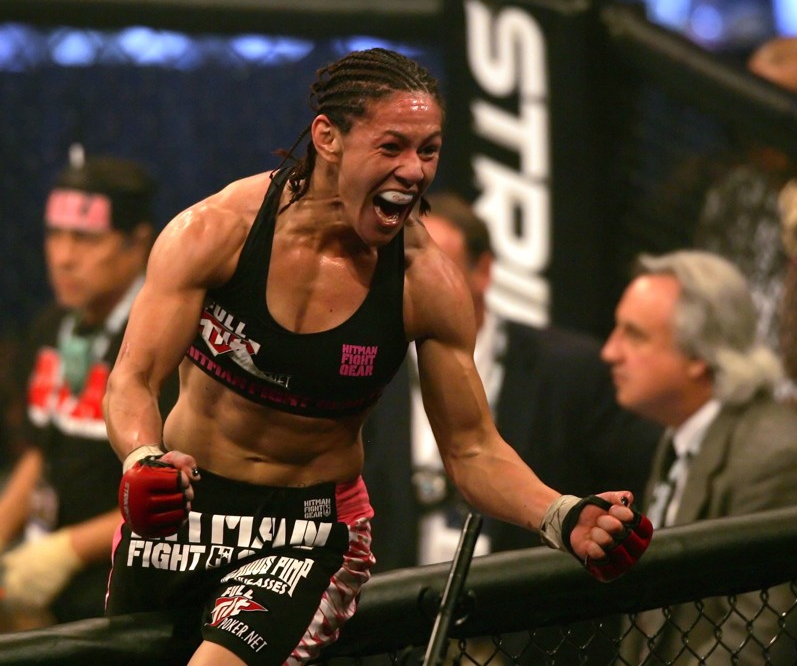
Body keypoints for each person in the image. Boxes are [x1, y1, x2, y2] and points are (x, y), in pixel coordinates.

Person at [101, 47, 651, 666]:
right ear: (328, 138)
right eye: (392, 147)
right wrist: (143, 460)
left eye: (429, 150)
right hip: (185, 516)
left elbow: (472, 448)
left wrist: (561, 515)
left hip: (306, 534)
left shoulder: (425, 283)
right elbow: (132, 379)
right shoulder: (215, 232)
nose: (414, 170)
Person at [363, 190, 660, 570]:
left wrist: (573, 518)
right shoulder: (365, 369)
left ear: (483, 271)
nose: (418, 284)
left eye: (436, 266)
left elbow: (647, 489)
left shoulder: (571, 372)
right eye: (402, 267)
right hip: (398, 597)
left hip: (526, 597)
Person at [605, 250, 797, 665]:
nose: (610, 352)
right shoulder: (682, 434)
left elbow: (757, 643)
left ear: (699, 356)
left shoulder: (779, 461)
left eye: (634, 335)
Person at [0, 151, 173, 630]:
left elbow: (190, 492)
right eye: (55, 235)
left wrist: (68, 550)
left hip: (126, 583)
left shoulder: (170, 342)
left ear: (138, 243)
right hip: (48, 575)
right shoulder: (50, 327)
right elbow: (40, 453)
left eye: (86, 238)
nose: (63, 257)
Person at [693, 36, 797, 464]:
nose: (763, 126)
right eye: (754, 107)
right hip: (724, 440)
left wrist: (757, 419)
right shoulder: (733, 198)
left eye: (782, 109)